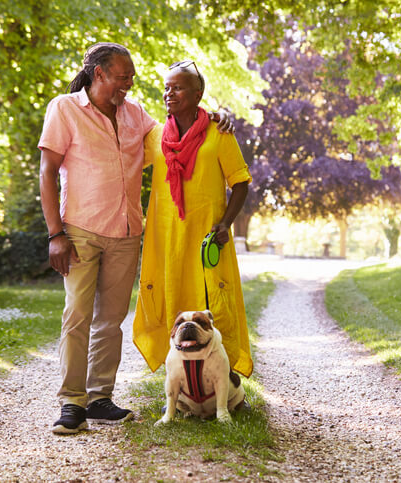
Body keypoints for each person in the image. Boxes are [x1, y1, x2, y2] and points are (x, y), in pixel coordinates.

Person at [38, 44, 233, 434]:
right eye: (122, 76)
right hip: (79, 230)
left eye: (131, 77)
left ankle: (98, 398)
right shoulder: (65, 109)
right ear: (99, 74)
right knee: (77, 316)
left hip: (126, 232)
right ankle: (71, 403)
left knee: (110, 321)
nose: (129, 83)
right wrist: (55, 233)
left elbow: (179, 130)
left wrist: (215, 115)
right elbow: (47, 170)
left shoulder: (135, 116)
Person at [132, 60, 253, 382]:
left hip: (207, 238)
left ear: (198, 94)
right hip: (166, 238)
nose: (169, 93)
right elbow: (121, 155)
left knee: (214, 300)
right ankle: (180, 379)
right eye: (167, 87)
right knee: (170, 300)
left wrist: (226, 223)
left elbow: (239, 182)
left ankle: (223, 377)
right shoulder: (155, 136)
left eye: (178, 87)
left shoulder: (219, 133)